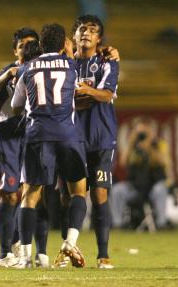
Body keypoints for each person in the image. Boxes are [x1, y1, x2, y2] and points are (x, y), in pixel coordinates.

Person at [12, 23, 88, 268]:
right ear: (63, 44)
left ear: (41, 44)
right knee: (77, 191)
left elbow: (16, 104)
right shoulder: (72, 66)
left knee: (30, 195)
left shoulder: (28, 68)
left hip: (38, 135)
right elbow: (78, 92)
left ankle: (24, 255)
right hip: (67, 134)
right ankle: (70, 241)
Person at [0, 28, 50, 268]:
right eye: (22, 45)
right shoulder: (12, 71)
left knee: (29, 195)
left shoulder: (42, 71)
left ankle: (22, 249)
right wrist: (7, 74)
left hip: (28, 136)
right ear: (15, 49)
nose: (27, 49)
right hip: (4, 135)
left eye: (32, 44)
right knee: (5, 196)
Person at [72, 15, 119, 269]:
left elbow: (106, 94)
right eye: (82, 29)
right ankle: (69, 248)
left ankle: (103, 255)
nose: (87, 33)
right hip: (72, 138)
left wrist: (84, 90)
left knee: (100, 194)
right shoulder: (67, 64)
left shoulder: (107, 61)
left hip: (101, 137)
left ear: (99, 38)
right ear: (75, 36)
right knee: (73, 196)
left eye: (93, 30)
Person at [110, 117, 174, 230]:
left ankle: (161, 223)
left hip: (153, 185)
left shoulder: (160, 144)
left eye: (145, 131)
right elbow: (123, 162)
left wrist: (149, 146)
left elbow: (163, 161)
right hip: (136, 186)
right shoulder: (134, 147)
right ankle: (117, 224)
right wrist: (131, 142)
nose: (142, 134)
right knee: (117, 190)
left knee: (160, 189)